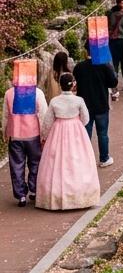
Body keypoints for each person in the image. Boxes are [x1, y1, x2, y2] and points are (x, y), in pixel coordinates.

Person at [36, 73, 101, 210]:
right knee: (78, 161)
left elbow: (48, 122)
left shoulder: (54, 101)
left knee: (58, 163)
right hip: (76, 130)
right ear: (73, 85)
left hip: (58, 131)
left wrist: (45, 136)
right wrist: (77, 124)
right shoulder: (79, 100)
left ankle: (56, 196)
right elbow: (86, 118)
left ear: (60, 85)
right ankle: (79, 196)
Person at [2, 71, 46, 206]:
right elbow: (43, 114)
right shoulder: (37, 93)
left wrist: (5, 132)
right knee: (35, 163)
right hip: (33, 134)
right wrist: (44, 134)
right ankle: (34, 190)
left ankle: (21, 195)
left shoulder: (9, 94)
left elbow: (5, 116)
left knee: (16, 165)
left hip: (15, 135)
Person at [72, 43, 117, 166]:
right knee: (102, 133)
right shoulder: (104, 66)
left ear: (87, 52)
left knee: (86, 134)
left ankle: (85, 161)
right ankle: (104, 158)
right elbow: (113, 82)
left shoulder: (79, 67)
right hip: (101, 104)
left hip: (85, 105)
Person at [106, 0, 123, 99]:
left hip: (114, 40)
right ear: (119, 3)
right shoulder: (117, 14)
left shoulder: (111, 12)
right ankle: (119, 84)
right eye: (122, 3)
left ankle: (117, 85)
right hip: (120, 40)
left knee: (116, 64)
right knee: (120, 63)